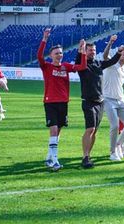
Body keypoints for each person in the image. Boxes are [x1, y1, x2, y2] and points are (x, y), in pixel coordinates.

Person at [37, 28, 87, 171]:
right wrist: (44, 39)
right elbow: (39, 55)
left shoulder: (66, 67)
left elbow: (82, 66)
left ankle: (49, 157)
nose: (59, 55)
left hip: (63, 103)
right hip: (50, 102)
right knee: (53, 130)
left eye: (60, 52)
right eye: (56, 53)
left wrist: (82, 50)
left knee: (57, 132)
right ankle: (55, 160)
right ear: (51, 55)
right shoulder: (46, 66)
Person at [74, 42, 115, 168]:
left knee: (95, 131)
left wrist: (118, 52)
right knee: (90, 129)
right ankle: (85, 157)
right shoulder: (82, 65)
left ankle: (88, 155)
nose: (93, 52)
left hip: (100, 102)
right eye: (90, 50)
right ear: (85, 51)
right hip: (88, 102)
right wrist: (80, 50)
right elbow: (78, 60)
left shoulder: (98, 64)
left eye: (94, 50)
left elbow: (111, 62)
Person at [101, 36, 124, 161]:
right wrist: (110, 43)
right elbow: (105, 56)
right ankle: (112, 152)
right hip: (108, 99)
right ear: (119, 55)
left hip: (121, 100)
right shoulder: (111, 65)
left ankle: (119, 144)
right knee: (114, 126)